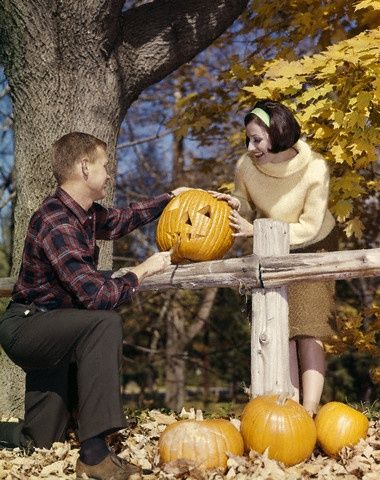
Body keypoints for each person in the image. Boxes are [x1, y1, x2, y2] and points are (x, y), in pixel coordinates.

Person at [0, 131, 189, 480]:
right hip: (29, 327)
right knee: (105, 321)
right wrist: (141, 271)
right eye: (105, 166)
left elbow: (121, 219)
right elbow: (96, 296)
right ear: (85, 168)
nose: (109, 174)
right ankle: (95, 454)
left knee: (40, 440)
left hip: (57, 330)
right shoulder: (55, 220)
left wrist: (169, 199)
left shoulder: (85, 215)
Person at [227, 100, 338, 416]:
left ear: (278, 134)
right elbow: (244, 203)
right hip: (269, 243)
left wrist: (256, 229)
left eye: (257, 139)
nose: (250, 147)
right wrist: (233, 207)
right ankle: (289, 409)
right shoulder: (246, 166)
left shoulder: (315, 168)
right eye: (247, 139)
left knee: (307, 328)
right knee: (280, 327)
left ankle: (310, 412)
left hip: (314, 244)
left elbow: (310, 226)